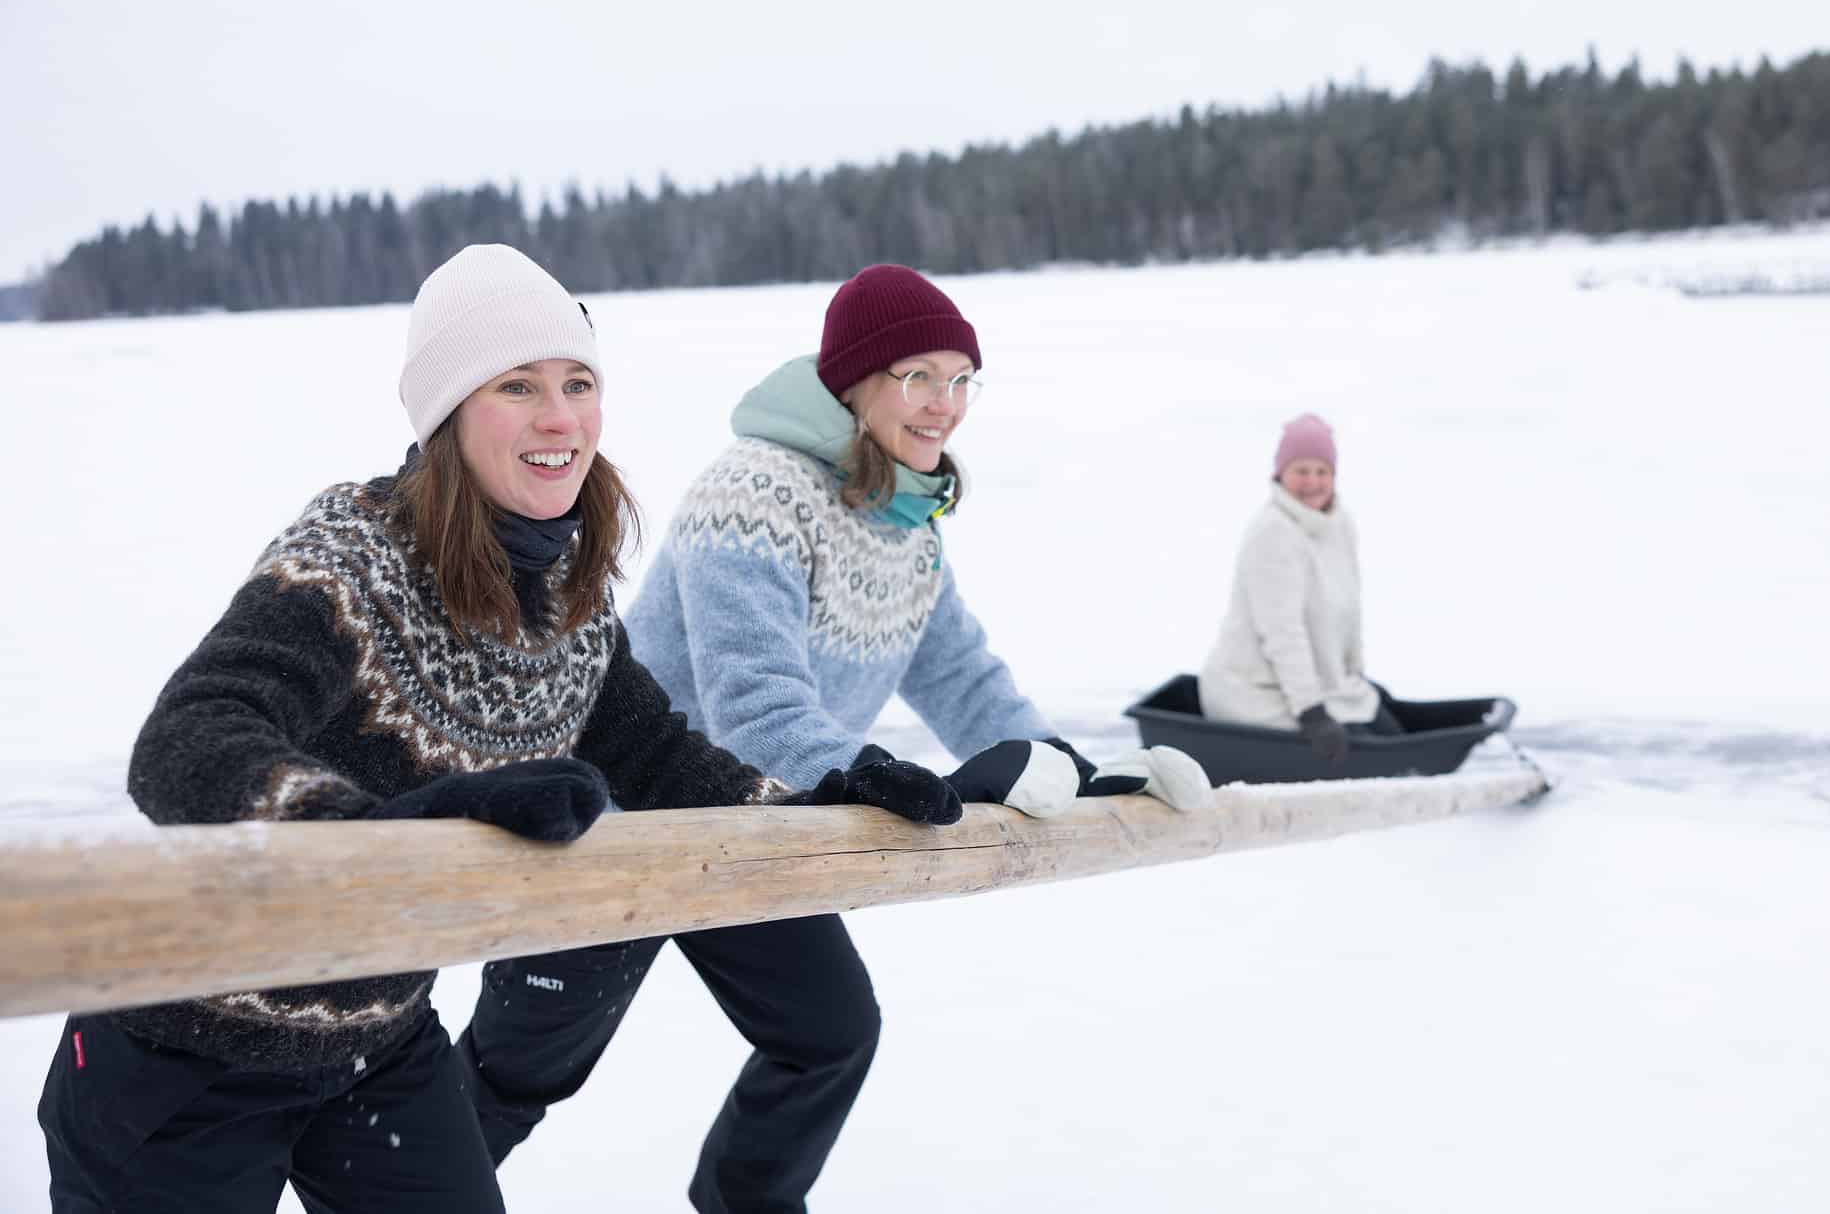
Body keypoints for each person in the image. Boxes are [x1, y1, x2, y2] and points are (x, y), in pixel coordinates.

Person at [36, 245, 957, 1214]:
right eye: (516, 385)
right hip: (188, 1052)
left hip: (375, 1046)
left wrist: (820, 800)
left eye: (577, 383)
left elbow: (657, 756)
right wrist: (390, 826)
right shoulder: (352, 554)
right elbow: (188, 743)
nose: (559, 417)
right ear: (448, 412)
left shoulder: (563, 592)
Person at [461, 262, 1207, 1213]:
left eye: (960, 378)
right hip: (625, 820)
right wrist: (860, 773)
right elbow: (755, 705)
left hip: (759, 822)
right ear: (855, 383)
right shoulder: (757, 491)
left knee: (828, 1033)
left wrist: (1077, 771)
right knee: (524, 1069)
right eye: (916, 377)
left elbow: (964, 677)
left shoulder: (907, 519)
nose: (943, 405)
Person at [1198, 413, 1400, 765]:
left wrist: (1354, 677)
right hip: (1254, 693)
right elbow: (1282, 632)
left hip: (1313, 684)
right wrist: (1312, 713)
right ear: (1280, 474)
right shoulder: (1274, 533)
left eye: (1322, 472)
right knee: (1376, 752)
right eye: (1301, 471)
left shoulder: (1338, 524)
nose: (1312, 483)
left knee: (1387, 725)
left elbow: (1350, 610)